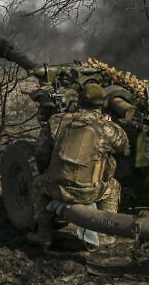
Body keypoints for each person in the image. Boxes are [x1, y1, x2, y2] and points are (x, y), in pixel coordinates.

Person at [27, 83, 129, 250]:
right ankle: (104, 235)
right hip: (89, 193)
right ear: (101, 105)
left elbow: (40, 152)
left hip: (56, 187)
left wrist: (46, 171)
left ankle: (43, 235)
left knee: (38, 184)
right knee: (113, 187)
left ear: (80, 101)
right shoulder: (107, 129)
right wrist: (107, 123)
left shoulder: (57, 121)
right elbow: (123, 146)